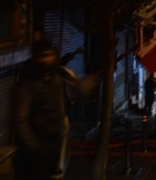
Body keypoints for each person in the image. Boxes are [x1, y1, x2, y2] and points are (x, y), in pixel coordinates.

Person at [14, 40, 95, 180]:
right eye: (41, 56)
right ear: (34, 58)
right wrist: (32, 146)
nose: (45, 60)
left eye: (48, 55)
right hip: (35, 144)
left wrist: (88, 85)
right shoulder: (27, 82)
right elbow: (20, 119)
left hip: (54, 139)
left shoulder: (59, 75)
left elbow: (83, 88)